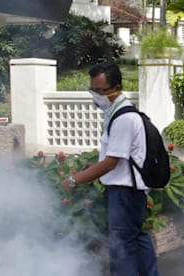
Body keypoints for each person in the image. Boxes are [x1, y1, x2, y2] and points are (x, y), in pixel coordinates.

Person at [60, 61, 160, 276]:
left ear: (116, 88)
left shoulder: (124, 118)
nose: (95, 95)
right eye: (92, 90)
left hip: (124, 193)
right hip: (128, 192)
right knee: (136, 238)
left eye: (100, 90)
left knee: (121, 246)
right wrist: (94, 166)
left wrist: (74, 180)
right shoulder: (117, 114)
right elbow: (116, 158)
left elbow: (111, 162)